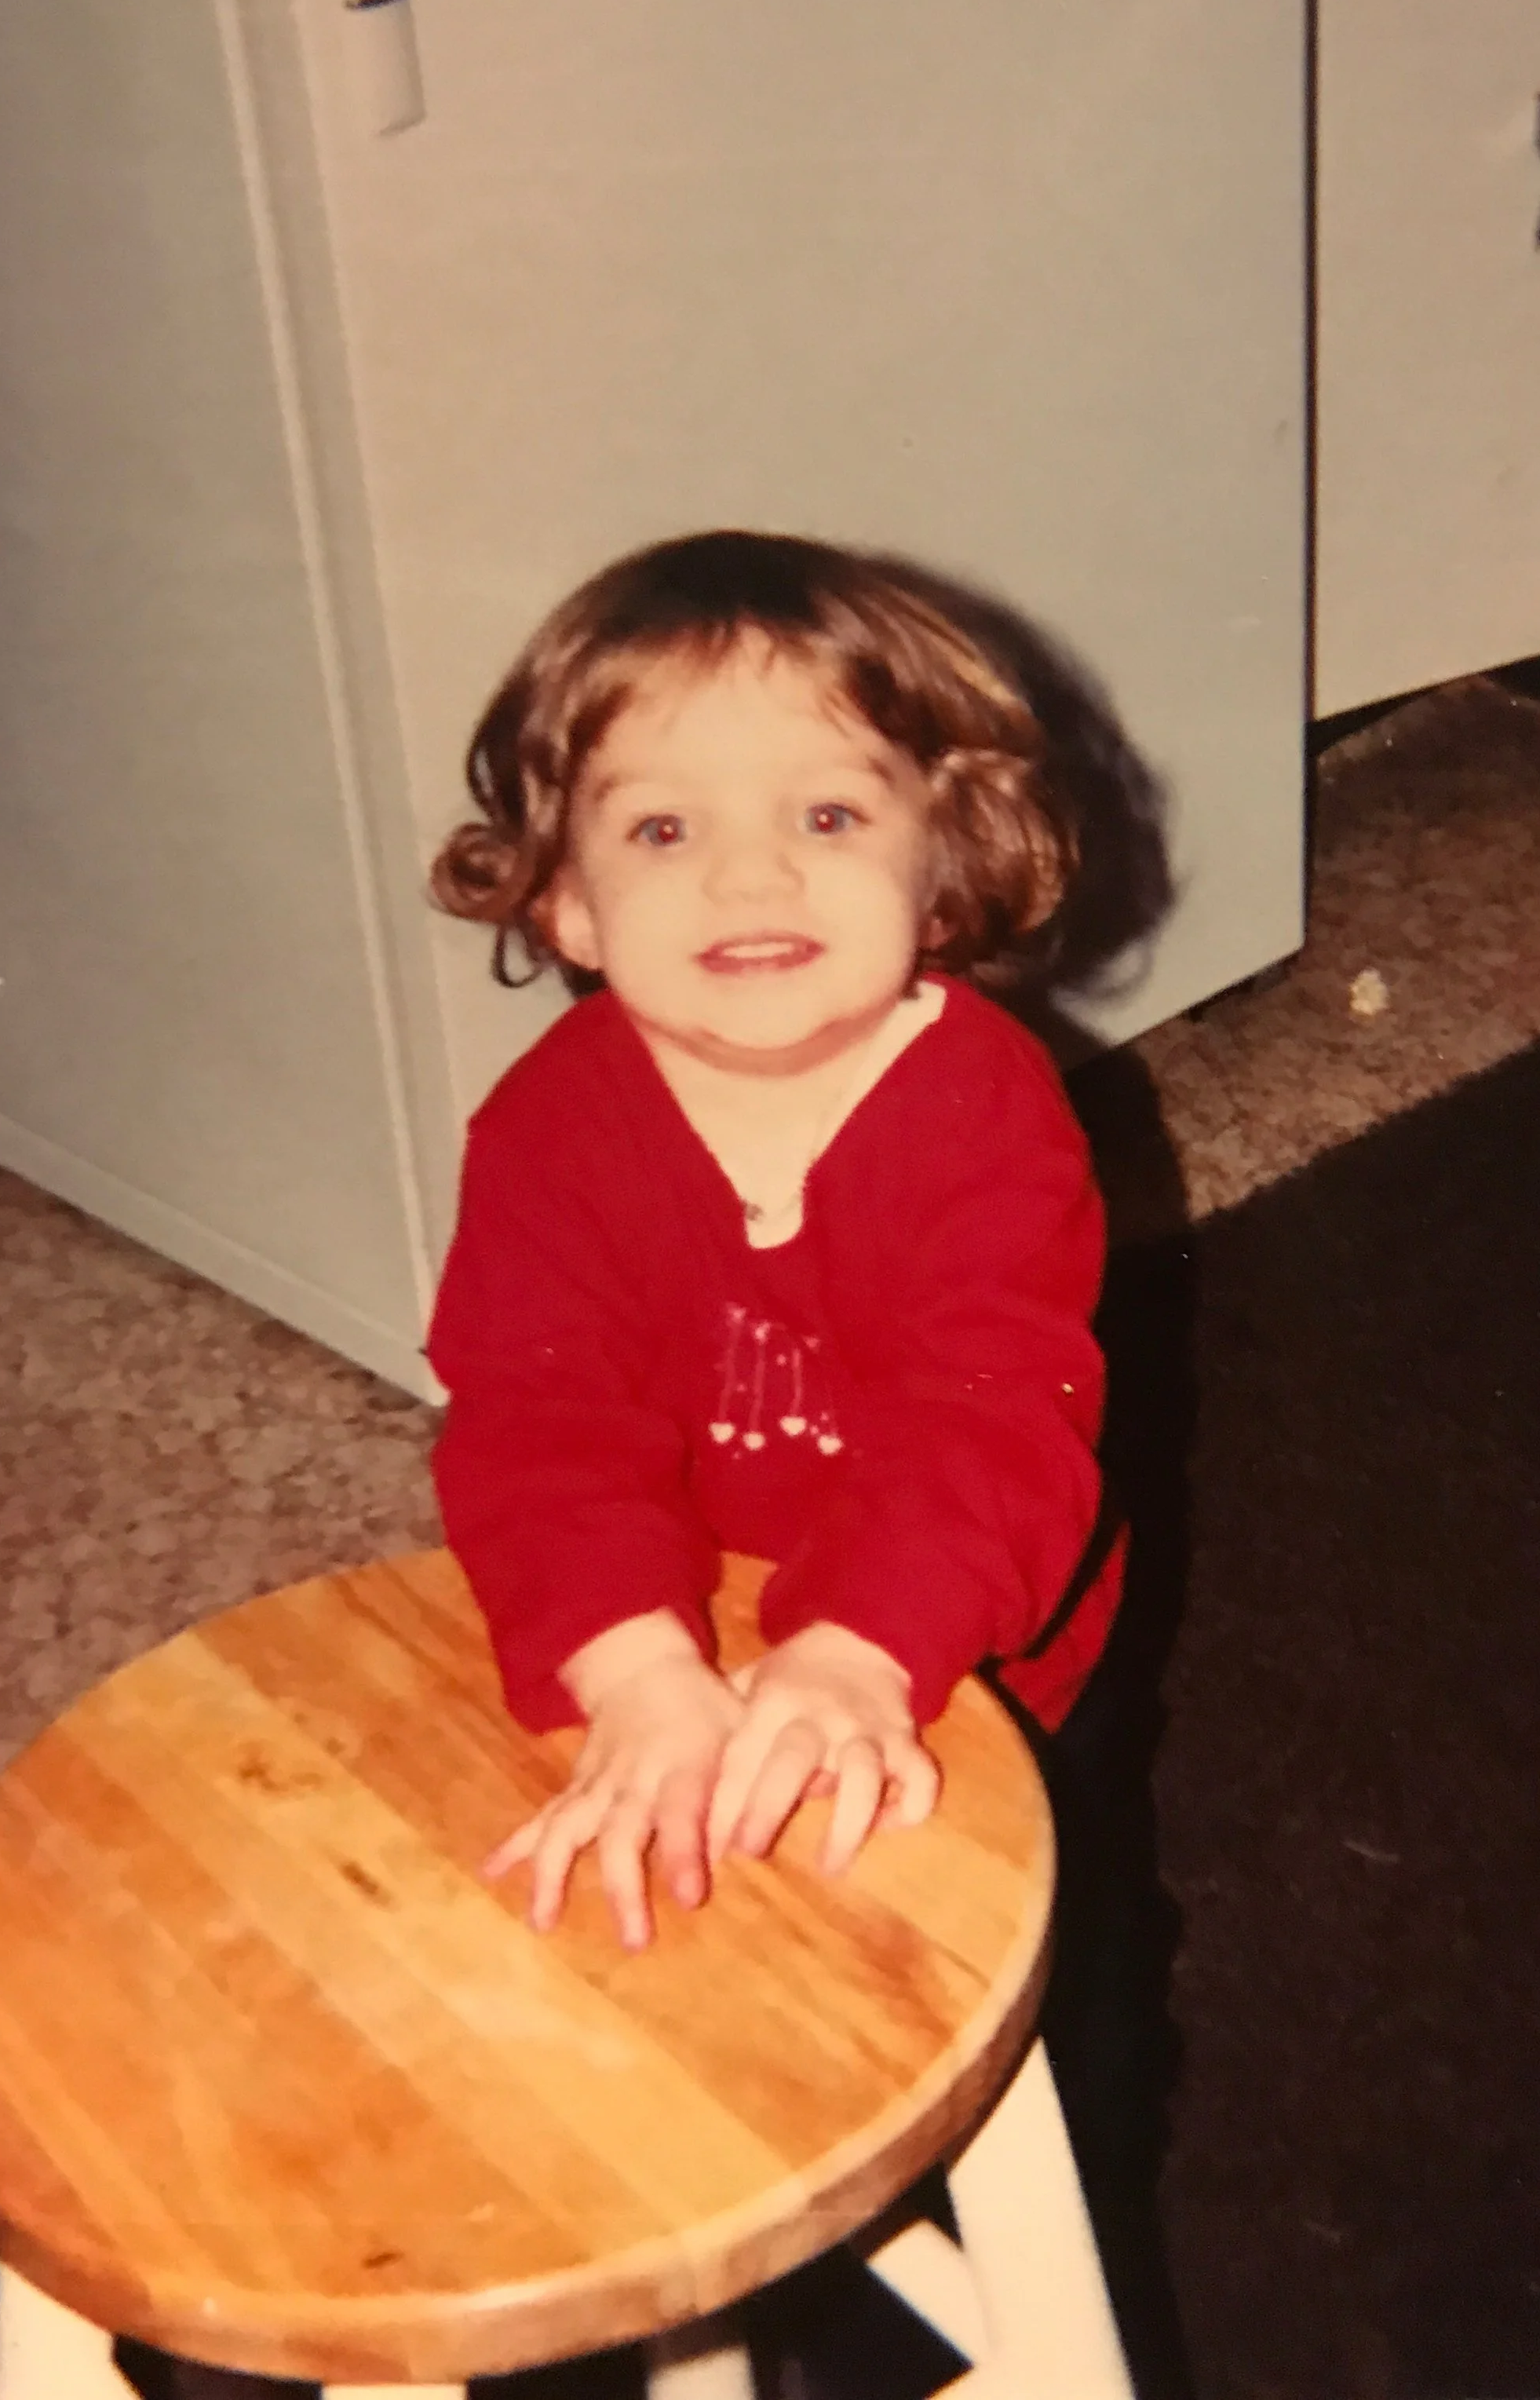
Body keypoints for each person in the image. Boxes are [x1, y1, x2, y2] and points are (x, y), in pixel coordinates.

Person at [425, 528, 1125, 1954]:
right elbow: (534, 1420)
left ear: (945, 866)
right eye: (666, 830)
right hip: (673, 1605)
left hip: (966, 1631)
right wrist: (631, 1667)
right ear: (564, 898)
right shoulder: (547, 1129)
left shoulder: (987, 1115)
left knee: (1039, 1963)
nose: (751, 883)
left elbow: (989, 1419)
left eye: (826, 819)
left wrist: (864, 1651)